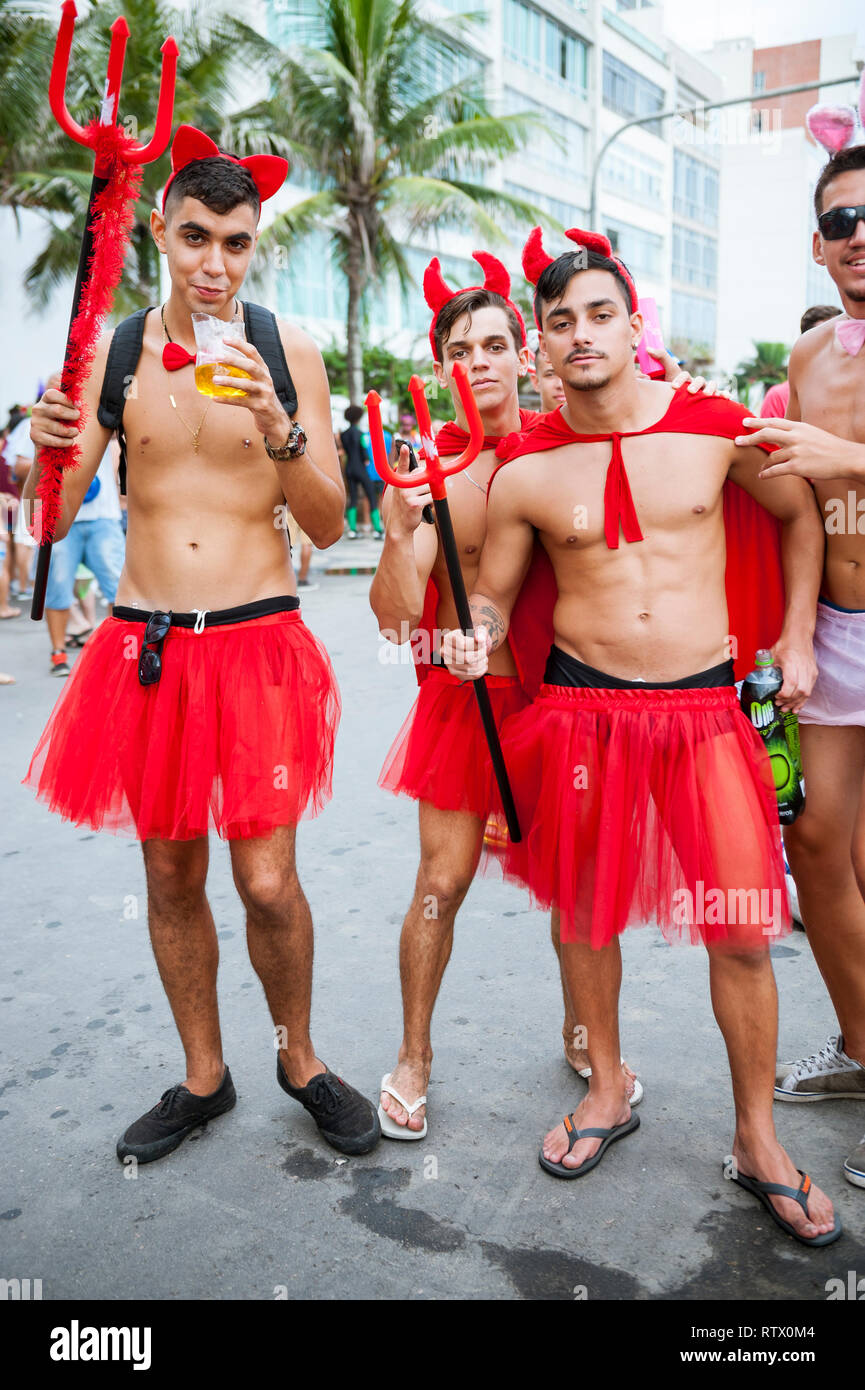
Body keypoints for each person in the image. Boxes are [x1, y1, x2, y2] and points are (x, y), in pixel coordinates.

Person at [443, 226, 839, 1246]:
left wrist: (795, 637)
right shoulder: (524, 470)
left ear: (632, 324)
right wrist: (472, 635)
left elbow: (797, 516)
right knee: (581, 916)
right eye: (560, 320)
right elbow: (493, 595)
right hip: (581, 711)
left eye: (599, 314)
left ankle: (757, 1139)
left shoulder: (715, 429)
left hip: (706, 713)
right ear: (541, 341)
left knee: (742, 927)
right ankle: (606, 1087)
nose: (581, 334)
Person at [23, 124, 379, 1164]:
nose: (214, 264)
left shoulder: (286, 349)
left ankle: (300, 1058)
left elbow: (323, 525)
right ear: (157, 235)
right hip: (144, 647)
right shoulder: (114, 352)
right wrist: (47, 457)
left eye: (235, 241)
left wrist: (279, 419)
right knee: (171, 875)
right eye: (194, 239)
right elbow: (50, 524)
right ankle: (202, 1074)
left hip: (257, 642)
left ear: (254, 242)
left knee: (266, 880)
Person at [370, 251, 646, 1138]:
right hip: (466, 705)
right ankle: (413, 1056)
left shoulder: (561, 449)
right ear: (439, 365)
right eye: (460, 348)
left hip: (562, 701)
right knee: (439, 885)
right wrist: (397, 531)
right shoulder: (431, 474)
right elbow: (390, 619)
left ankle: (585, 1036)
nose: (478, 361)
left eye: (495, 343)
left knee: (576, 888)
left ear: (524, 355)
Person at [740, 145, 865, 1192]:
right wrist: (788, 631)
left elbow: (832, 470)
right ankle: (864, 1048)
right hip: (833, 630)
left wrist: (852, 461)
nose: (861, 234)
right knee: (817, 843)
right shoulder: (811, 354)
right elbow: (794, 501)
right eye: (842, 220)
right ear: (817, 246)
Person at [42, 418, 126, 677]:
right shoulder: (46, 421)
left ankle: (118, 654)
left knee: (118, 589)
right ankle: (58, 653)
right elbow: (22, 468)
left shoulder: (102, 414)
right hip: (63, 519)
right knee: (58, 588)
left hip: (104, 517)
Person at [760, 305, 841, 419]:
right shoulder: (778, 396)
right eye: (824, 338)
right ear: (806, 342)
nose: (833, 343)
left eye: (838, 335)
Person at [341, 405, 382, 537]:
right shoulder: (361, 434)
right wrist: (366, 459)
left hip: (349, 468)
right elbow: (364, 452)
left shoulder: (343, 434)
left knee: (352, 498)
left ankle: (352, 530)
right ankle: (377, 529)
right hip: (360, 468)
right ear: (358, 418)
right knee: (371, 496)